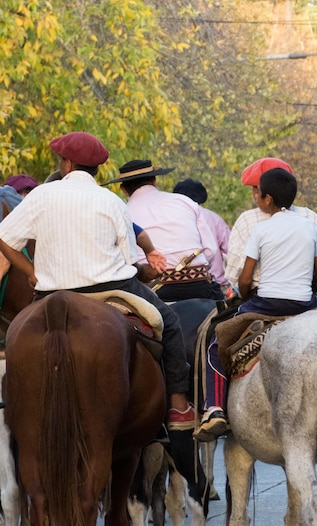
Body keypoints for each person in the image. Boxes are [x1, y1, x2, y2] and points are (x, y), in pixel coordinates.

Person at [0, 131, 195, 431]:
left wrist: (29, 270)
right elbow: (129, 259)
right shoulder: (112, 201)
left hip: (51, 292)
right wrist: (145, 271)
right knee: (169, 323)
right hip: (112, 288)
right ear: (95, 168)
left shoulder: (40, 196)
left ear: (66, 164)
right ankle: (179, 406)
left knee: (15, 334)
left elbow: (5, 238)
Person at [193, 168, 317, 442]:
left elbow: (244, 277)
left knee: (216, 345)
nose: (256, 198)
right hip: (305, 303)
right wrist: (308, 292)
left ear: (267, 199)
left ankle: (216, 409)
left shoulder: (261, 228)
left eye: (258, 194)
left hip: (265, 304)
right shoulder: (310, 226)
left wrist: (246, 295)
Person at [104, 161, 223, 301]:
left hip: (151, 292)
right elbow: (210, 250)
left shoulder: (122, 212)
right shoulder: (185, 202)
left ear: (123, 189)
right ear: (154, 181)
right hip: (199, 286)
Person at [225, 157, 317, 292]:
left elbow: (235, 275)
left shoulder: (247, 220)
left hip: (261, 296)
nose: (255, 194)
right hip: (303, 295)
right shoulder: (308, 218)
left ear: (266, 195)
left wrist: (247, 298)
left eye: (256, 188)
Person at [173, 178, 231, 294]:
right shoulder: (214, 218)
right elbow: (231, 249)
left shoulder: (173, 219)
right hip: (216, 284)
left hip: (182, 282)